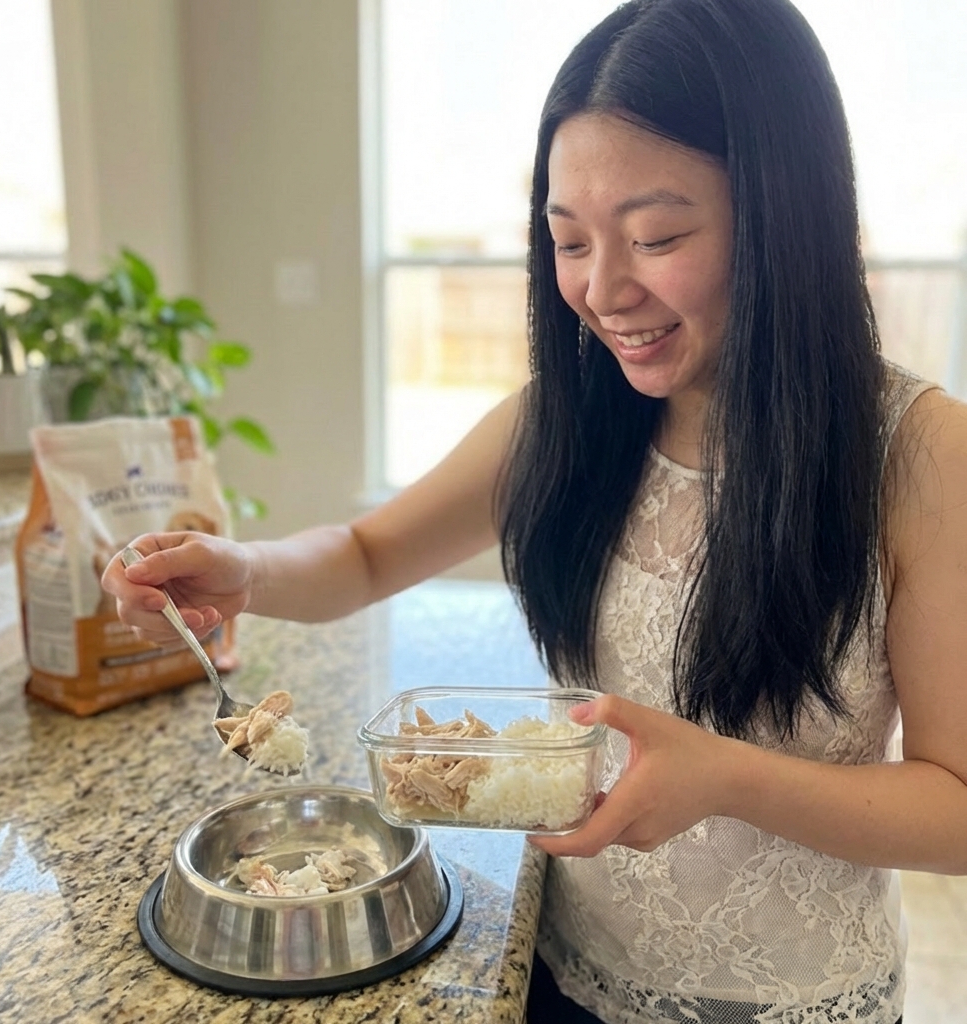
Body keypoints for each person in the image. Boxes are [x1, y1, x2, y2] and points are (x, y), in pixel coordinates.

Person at [102, 0, 967, 1020]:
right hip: (556, 969)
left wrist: (727, 777)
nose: (602, 291)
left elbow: (954, 807)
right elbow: (367, 554)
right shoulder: (570, 420)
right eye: (568, 241)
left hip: (785, 1000)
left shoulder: (918, 453)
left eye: (655, 236)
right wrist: (246, 567)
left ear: (783, 217)